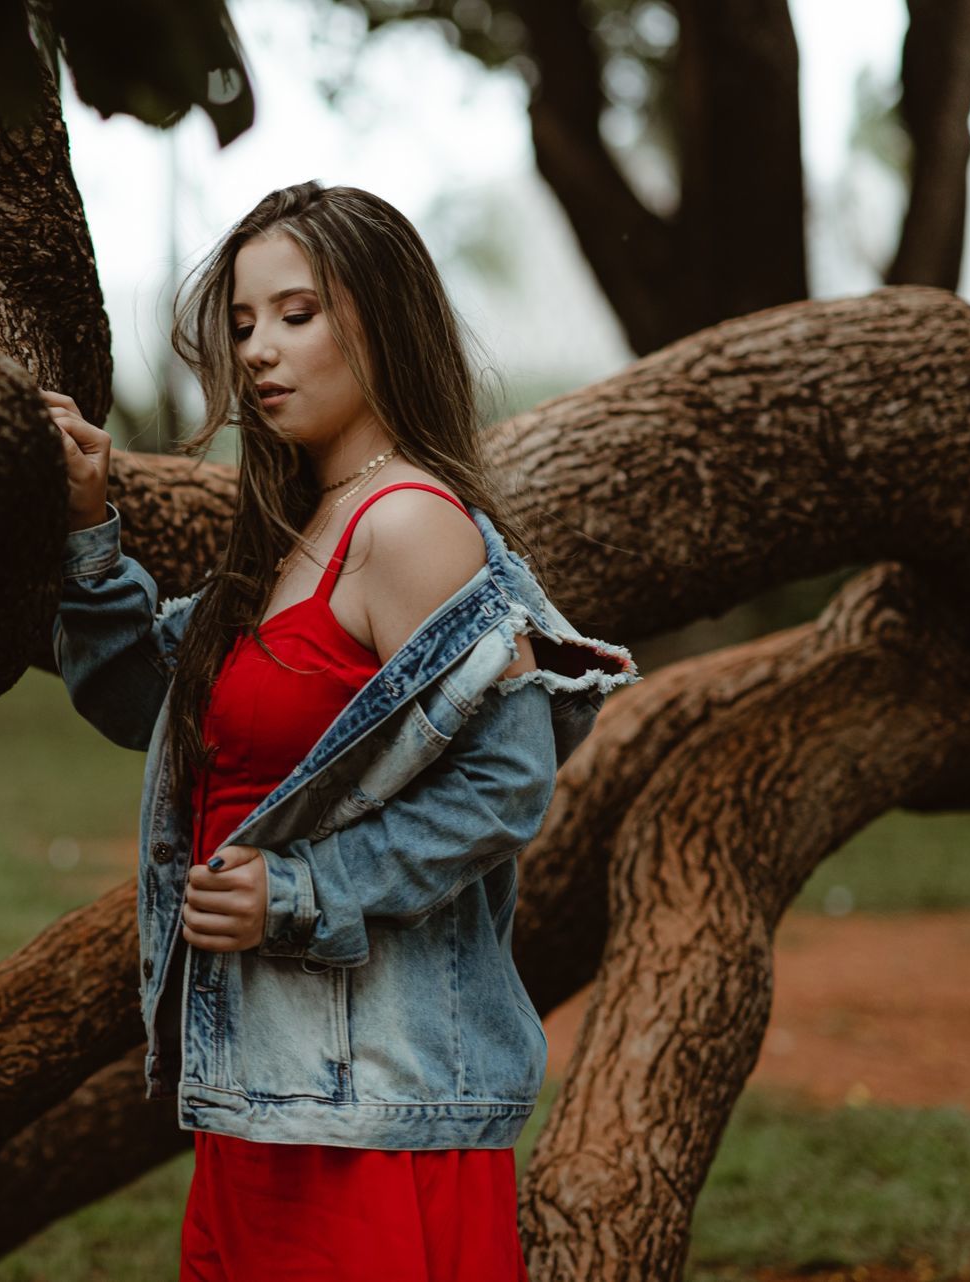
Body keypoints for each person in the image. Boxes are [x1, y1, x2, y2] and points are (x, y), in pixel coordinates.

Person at [46, 182, 642, 1280]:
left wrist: (301, 892)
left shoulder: (410, 524)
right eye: (240, 324)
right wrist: (89, 532)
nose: (258, 351)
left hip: (373, 1101)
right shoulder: (288, 534)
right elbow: (144, 705)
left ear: (380, 315)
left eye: (295, 313)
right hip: (270, 1079)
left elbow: (505, 785)